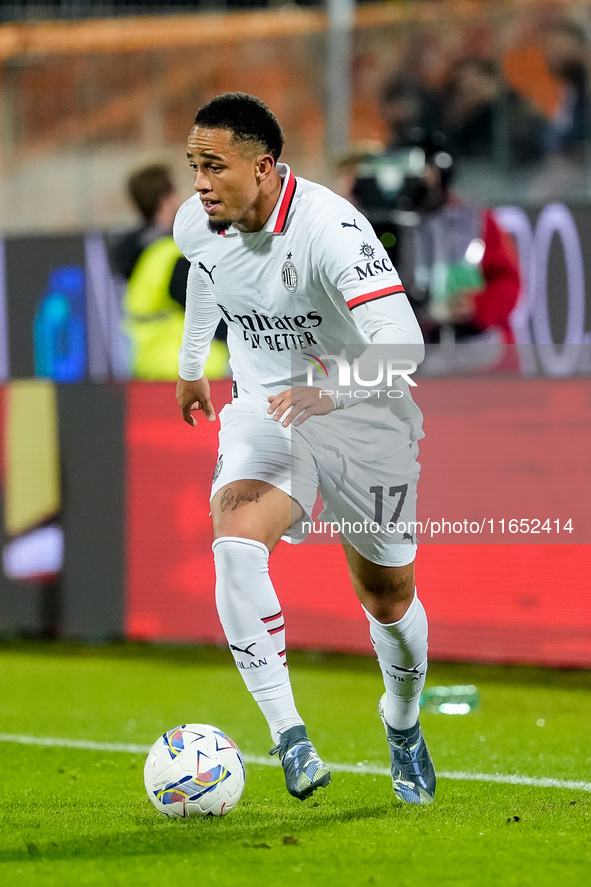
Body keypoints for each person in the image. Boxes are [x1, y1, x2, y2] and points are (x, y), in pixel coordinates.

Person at [174, 92, 435, 805]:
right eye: (192, 165)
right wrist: (193, 363)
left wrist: (336, 394)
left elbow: (404, 343)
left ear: (262, 168)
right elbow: (205, 275)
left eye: (213, 166)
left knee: (386, 596)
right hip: (265, 405)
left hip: (363, 414)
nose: (198, 182)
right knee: (234, 536)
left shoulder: (329, 230)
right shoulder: (197, 222)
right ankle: (288, 733)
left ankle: (402, 720)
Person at [352, 131, 521, 370]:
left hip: (475, 348)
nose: (416, 177)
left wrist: (478, 306)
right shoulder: (376, 224)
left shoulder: (474, 220)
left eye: (423, 167)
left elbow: (508, 281)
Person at [109, 163, 228, 380]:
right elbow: (207, 314)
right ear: (166, 198)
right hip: (193, 373)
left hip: (150, 369)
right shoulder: (171, 256)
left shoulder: (136, 251)